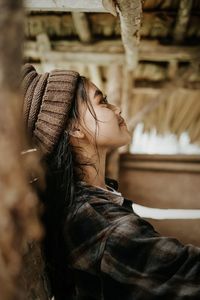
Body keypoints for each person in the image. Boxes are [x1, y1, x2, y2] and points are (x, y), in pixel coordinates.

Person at [21, 64, 200, 300]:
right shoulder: (98, 223)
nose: (117, 108)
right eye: (102, 102)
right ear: (73, 128)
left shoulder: (92, 199)